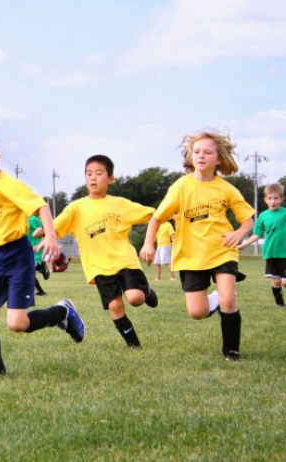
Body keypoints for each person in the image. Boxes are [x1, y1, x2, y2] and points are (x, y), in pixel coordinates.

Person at [0, 130, 85, 379]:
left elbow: (40, 206)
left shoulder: (8, 185)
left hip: (16, 257)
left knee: (17, 324)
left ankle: (63, 313)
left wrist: (50, 236)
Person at [140, 130, 254, 361]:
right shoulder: (181, 187)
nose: (201, 156)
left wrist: (239, 233)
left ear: (218, 158)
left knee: (229, 300)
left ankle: (231, 350)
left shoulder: (226, 188)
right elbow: (157, 218)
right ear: (191, 156)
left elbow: (248, 220)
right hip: (191, 256)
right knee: (197, 312)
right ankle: (218, 298)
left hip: (222, 251)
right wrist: (148, 244)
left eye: (207, 152)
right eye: (197, 152)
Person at [54, 155, 158, 349]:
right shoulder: (76, 208)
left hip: (125, 260)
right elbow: (56, 226)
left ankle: (146, 291)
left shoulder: (120, 204)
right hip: (99, 267)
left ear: (110, 178)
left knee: (135, 298)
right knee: (115, 306)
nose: (93, 178)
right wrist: (44, 230)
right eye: (89, 174)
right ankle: (134, 346)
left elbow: (152, 214)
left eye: (99, 173)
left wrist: (171, 213)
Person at [238, 182, 286, 307]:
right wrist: (244, 245)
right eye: (270, 198)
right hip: (270, 253)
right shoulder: (263, 216)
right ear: (265, 199)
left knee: (285, 281)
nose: (273, 201)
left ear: (282, 199)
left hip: (284, 253)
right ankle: (279, 303)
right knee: (276, 282)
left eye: (276, 198)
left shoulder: (285, 213)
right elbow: (257, 234)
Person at [27, 213, 49, 296]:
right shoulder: (23, 220)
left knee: (28, 271)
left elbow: (44, 232)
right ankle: (40, 291)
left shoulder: (33, 219)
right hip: (28, 249)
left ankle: (41, 266)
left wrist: (40, 244)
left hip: (35, 249)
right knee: (28, 271)